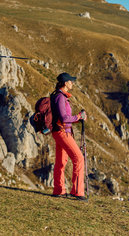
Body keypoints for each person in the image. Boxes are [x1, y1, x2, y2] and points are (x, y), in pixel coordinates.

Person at [50, 72, 87, 200]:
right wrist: (78, 116)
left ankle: (59, 190)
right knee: (79, 158)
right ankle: (77, 191)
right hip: (62, 132)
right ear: (65, 83)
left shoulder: (59, 96)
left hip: (59, 131)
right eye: (71, 81)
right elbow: (64, 118)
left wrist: (78, 118)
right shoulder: (60, 97)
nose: (72, 83)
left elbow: (64, 118)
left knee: (61, 161)